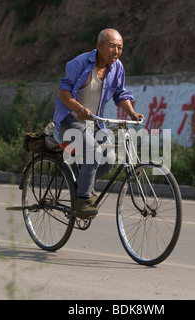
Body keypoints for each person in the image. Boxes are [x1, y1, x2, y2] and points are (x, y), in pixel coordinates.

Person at [53, 28, 144, 218]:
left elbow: (120, 94)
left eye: (120, 47)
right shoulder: (79, 63)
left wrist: (132, 113)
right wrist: (78, 108)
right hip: (70, 119)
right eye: (112, 46)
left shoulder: (117, 67)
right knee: (93, 151)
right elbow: (63, 92)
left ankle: (81, 185)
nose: (116, 51)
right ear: (99, 46)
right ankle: (82, 200)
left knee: (109, 158)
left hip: (94, 123)